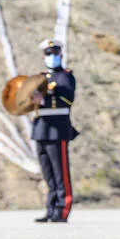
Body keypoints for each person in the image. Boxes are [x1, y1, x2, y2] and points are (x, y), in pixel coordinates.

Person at [32, 39, 78, 223]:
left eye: (55, 53)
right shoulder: (40, 77)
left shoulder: (66, 77)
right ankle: (51, 209)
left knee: (61, 173)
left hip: (58, 131)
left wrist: (43, 98)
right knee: (48, 173)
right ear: (44, 56)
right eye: (49, 53)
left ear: (61, 54)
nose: (52, 56)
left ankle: (63, 209)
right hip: (41, 130)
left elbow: (68, 100)